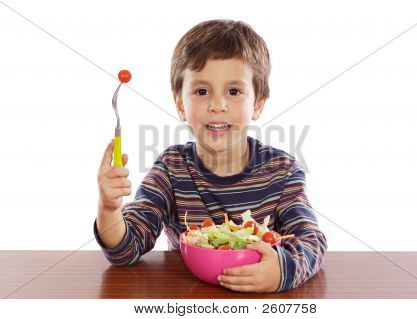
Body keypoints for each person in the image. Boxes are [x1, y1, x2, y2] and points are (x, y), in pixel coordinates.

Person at [95, 19, 327, 293]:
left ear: (258, 102)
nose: (218, 105)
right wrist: (109, 208)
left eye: (234, 91)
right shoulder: (171, 169)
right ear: (181, 103)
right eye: (202, 91)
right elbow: (125, 250)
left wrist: (283, 271)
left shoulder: (282, 171)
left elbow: (311, 240)